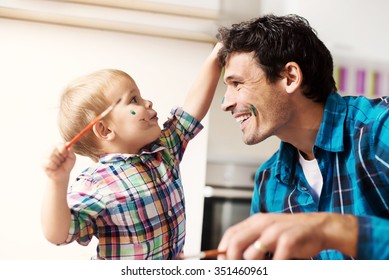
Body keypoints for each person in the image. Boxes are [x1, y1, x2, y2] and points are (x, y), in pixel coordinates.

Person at [215, 14, 389, 260]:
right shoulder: (269, 182)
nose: (226, 103)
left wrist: (333, 229)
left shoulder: (380, 129)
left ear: (290, 78)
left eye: (237, 83)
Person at [41, 44, 222, 260]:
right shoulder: (96, 183)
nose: (147, 102)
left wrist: (218, 55)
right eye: (133, 100)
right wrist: (57, 181)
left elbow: (192, 109)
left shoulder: (163, 151)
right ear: (105, 129)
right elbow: (59, 234)